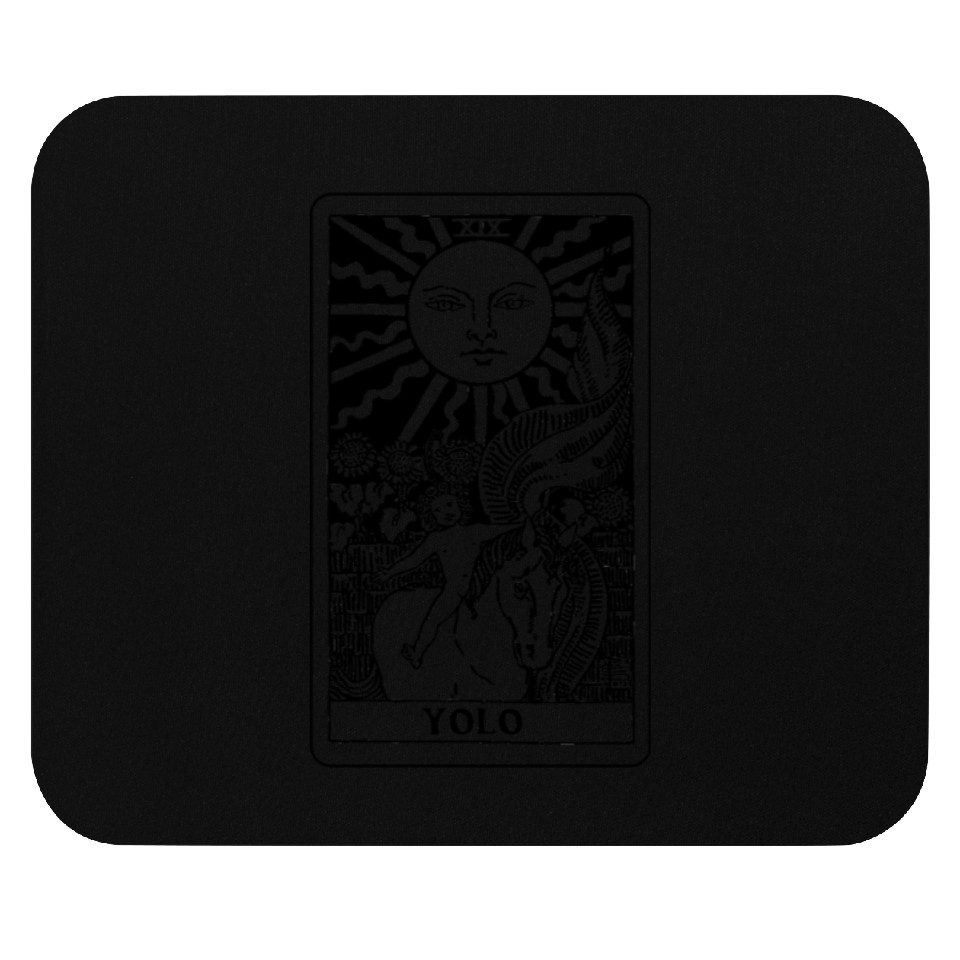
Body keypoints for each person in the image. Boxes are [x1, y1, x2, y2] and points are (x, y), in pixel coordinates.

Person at [371, 485, 515, 668]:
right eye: (437, 510)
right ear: (432, 516)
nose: (446, 512)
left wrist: (525, 523)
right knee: (433, 619)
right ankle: (417, 653)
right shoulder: (436, 539)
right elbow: (414, 560)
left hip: (480, 586)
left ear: (460, 505)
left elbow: (503, 529)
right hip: (455, 590)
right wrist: (390, 573)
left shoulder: (474, 531)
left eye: (449, 505)